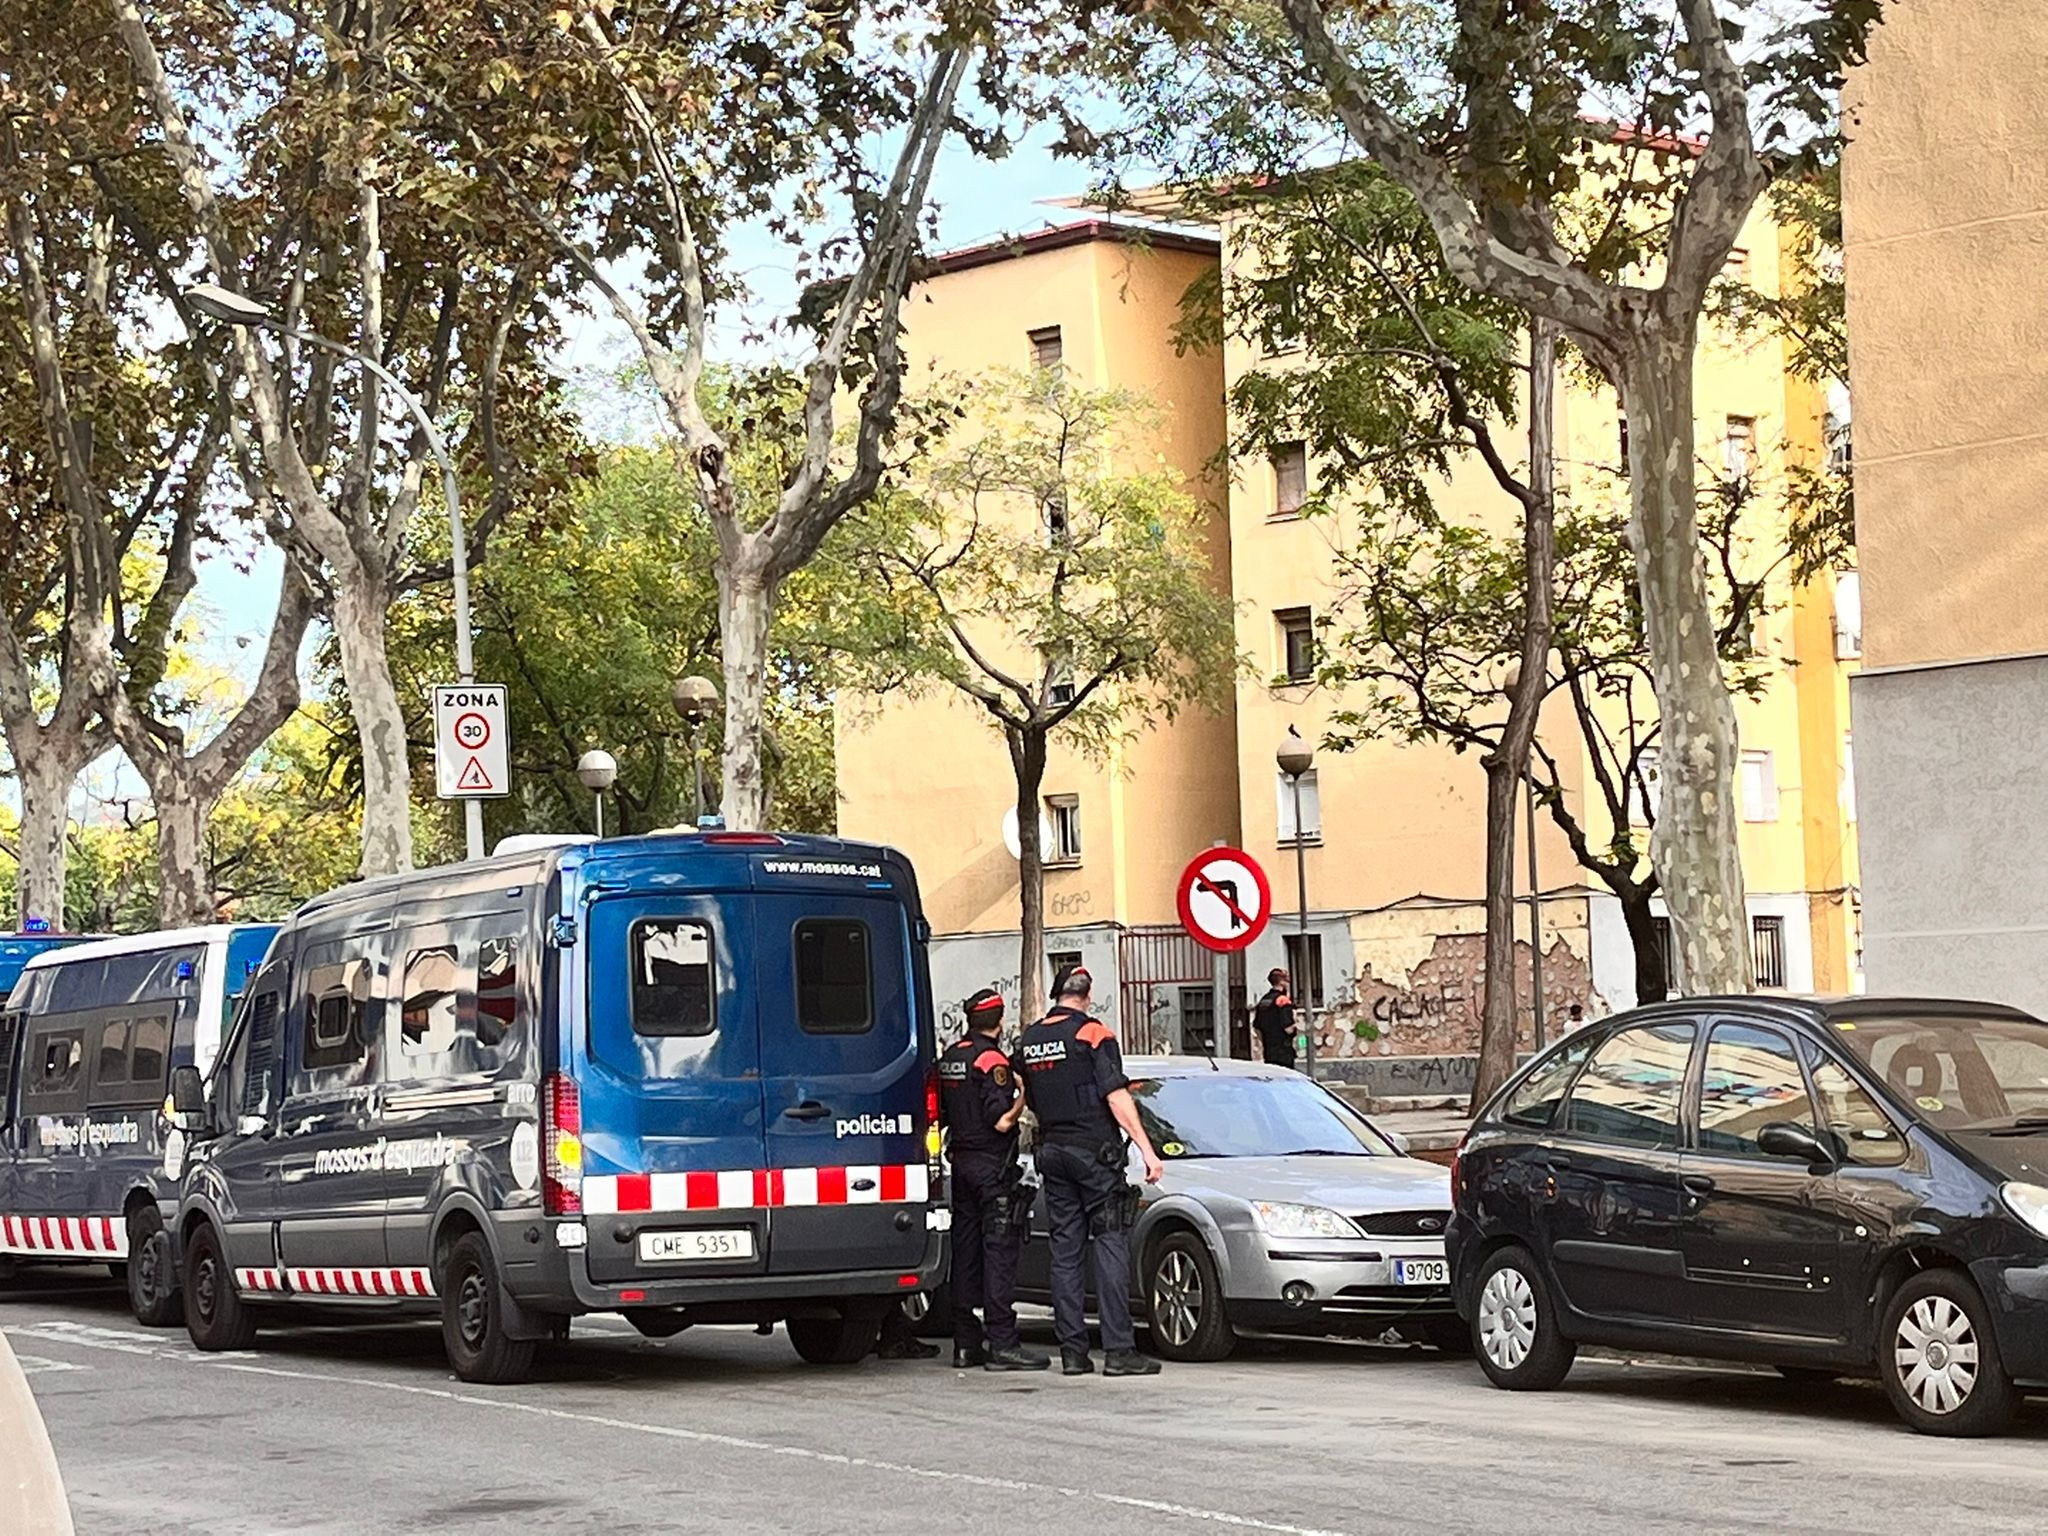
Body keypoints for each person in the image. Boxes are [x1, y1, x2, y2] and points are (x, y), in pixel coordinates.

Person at [1015, 966, 1164, 1377]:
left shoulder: (1030, 1039)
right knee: (1111, 1243)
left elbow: (1021, 1088)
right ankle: (1118, 1351)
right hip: (1093, 1156)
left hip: (1051, 1152)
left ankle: (1073, 1352)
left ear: (1056, 993)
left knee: (1065, 1251)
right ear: (1088, 993)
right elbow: (1116, 1097)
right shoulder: (1094, 1034)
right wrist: (1149, 1152)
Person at [937, 989, 1050, 1372]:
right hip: (991, 1169)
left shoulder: (951, 1057)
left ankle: (966, 1344)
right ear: (999, 1022)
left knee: (965, 1253)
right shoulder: (992, 1060)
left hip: (962, 1166)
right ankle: (1003, 1343)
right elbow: (1001, 1120)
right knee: (999, 1254)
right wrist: (1021, 1096)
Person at [1252, 967, 1299, 1072]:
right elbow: (1288, 1028)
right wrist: (1296, 1025)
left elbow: (1256, 1028)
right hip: (1284, 1051)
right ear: (1282, 982)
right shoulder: (1282, 1000)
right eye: (1287, 981)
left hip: (1268, 1051)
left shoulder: (1263, 1001)